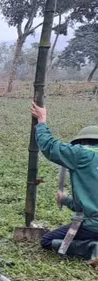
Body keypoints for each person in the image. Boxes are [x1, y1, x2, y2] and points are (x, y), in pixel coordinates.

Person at [31, 103, 98, 264]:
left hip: (93, 227)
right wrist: (66, 199)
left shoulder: (82, 154)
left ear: (82, 142)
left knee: (47, 241)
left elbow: (50, 146)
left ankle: (92, 247)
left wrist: (42, 121)